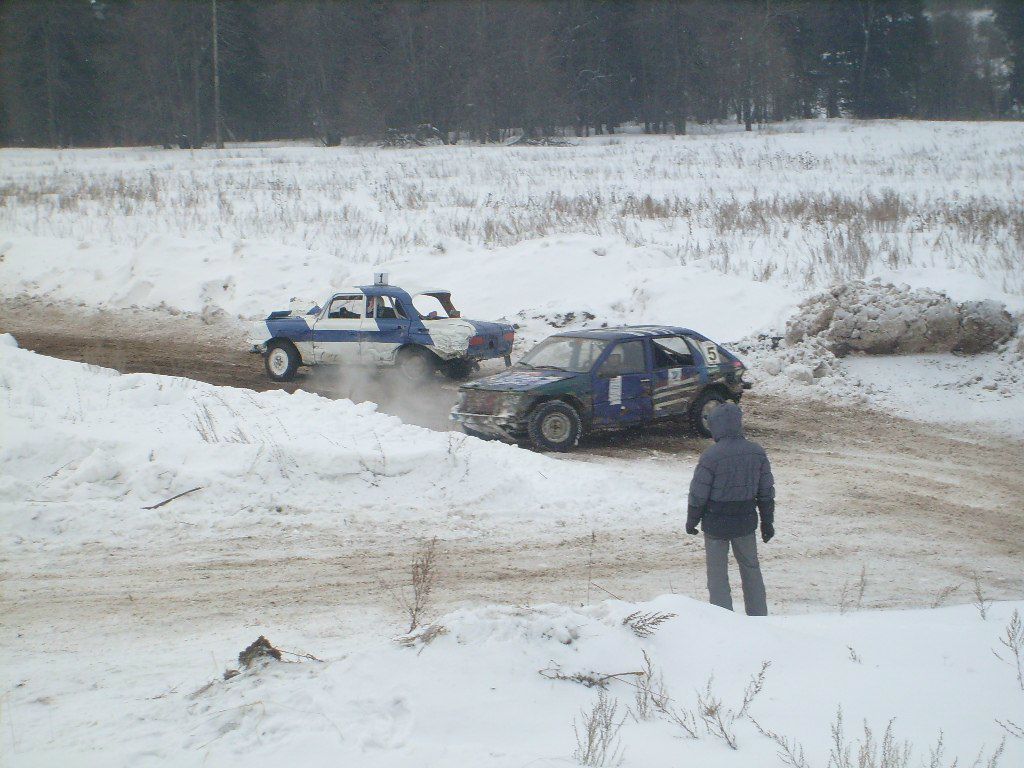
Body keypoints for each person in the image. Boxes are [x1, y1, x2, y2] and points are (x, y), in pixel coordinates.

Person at [686, 402, 775, 616]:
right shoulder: (757, 453)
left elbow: (698, 494)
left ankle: (723, 620)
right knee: (751, 570)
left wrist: (692, 520)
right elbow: (766, 491)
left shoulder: (711, 456)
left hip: (716, 524)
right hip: (745, 522)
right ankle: (758, 617)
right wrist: (767, 521)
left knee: (717, 576)